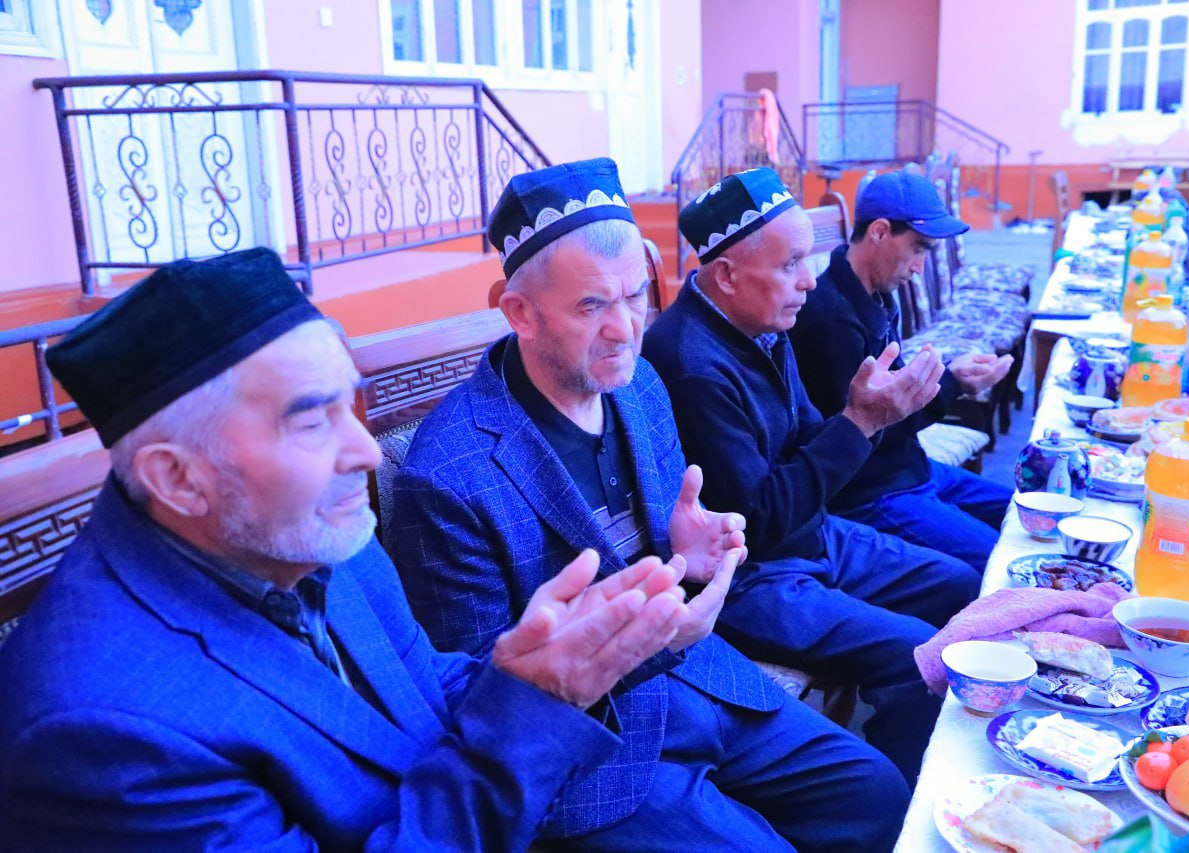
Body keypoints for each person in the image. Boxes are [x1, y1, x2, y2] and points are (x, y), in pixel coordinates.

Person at [0, 248, 696, 850]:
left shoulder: (312, 536)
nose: (366, 452)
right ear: (178, 479)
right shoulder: (102, 731)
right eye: (312, 421)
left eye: (350, 406)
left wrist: (555, 662)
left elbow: (423, 692)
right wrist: (534, 710)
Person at [391, 158, 908, 852]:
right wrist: (652, 637)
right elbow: (476, 694)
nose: (625, 329)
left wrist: (684, 553)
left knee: (876, 791)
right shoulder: (446, 474)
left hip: (703, 675)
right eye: (591, 306)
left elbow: (666, 553)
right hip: (591, 749)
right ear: (520, 313)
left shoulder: (640, 387)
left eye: (636, 296)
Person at [643, 167, 980, 782]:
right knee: (920, 657)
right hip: (750, 575)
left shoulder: (762, 324)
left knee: (960, 584)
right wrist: (860, 421)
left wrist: (871, 414)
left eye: (808, 260)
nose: (808, 280)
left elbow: (805, 436)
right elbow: (760, 522)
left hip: (814, 532)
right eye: (790, 264)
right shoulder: (690, 363)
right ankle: (905, 800)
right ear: (726, 275)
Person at [789, 169, 1014, 572]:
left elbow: (893, 395)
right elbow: (871, 432)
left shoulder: (873, 294)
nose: (920, 267)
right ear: (879, 231)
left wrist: (950, 375)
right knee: (1005, 563)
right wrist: (952, 384)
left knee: (1027, 514)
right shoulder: (829, 319)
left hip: (912, 469)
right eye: (918, 249)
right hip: (874, 491)